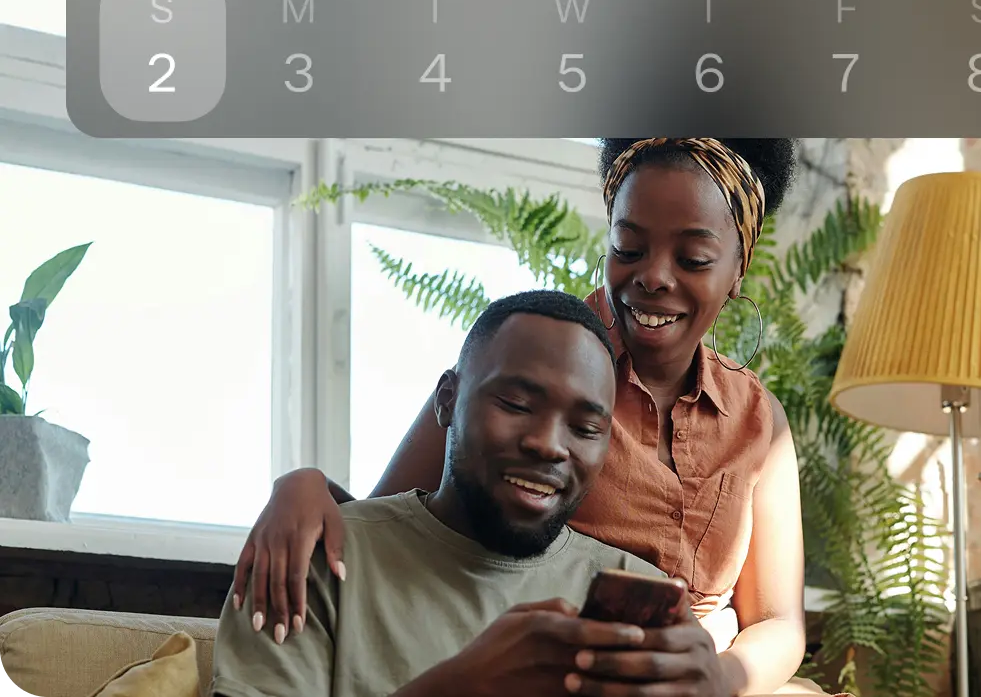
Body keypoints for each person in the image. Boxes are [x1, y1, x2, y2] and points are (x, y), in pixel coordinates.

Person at [233, 138, 829, 696]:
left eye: (694, 258)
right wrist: (302, 486)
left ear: (737, 270)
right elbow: (400, 538)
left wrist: (714, 679)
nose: (653, 276)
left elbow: (779, 621)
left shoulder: (759, 421)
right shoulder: (535, 361)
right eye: (628, 248)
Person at [214, 289, 717, 697]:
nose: (548, 444)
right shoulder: (309, 560)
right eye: (516, 404)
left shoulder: (639, 598)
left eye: (586, 428)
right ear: (448, 399)